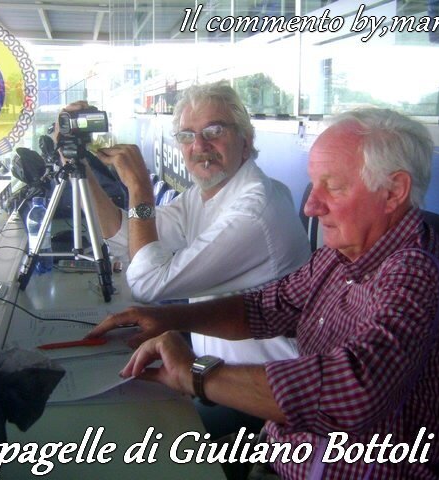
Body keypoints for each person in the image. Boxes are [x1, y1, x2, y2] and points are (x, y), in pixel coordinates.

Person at [90, 108, 439, 479]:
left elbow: (352, 389)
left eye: (334, 187)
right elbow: (264, 308)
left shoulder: (416, 272)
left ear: (393, 192)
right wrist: (165, 319)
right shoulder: (340, 254)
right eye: (314, 184)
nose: (311, 205)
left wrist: (194, 374)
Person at [60, 82, 310, 437]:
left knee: (131, 438)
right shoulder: (206, 194)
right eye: (187, 136)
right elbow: (125, 237)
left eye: (215, 131)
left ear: (246, 140)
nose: (200, 146)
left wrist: (140, 189)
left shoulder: (255, 210)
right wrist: (80, 164)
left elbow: (148, 283)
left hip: (263, 400)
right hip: (217, 376)